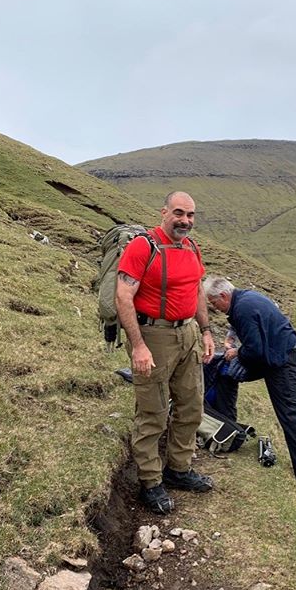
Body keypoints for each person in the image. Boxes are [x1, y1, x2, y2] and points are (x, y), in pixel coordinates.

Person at [115, 191, 216, 514]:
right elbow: (123, 297)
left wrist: (205, 330)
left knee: (191, 406)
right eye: (179, 213)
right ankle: (150, 480)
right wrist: (139, 346)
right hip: (154, 334)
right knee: (153, 412)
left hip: (187, 333)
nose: (185, 220)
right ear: (163, 212)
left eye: (190, 215)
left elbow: (196, 290)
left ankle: (179, 469)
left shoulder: (191, 247)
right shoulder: (143, 246)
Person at [202, 275, 296, 501]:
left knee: (289, 416)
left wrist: (236, 353)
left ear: (224, 296)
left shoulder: (243, 308)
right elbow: (243, 329)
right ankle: (228, 430)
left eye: (213, 303)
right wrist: (233, 347)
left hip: (283, 359)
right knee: (227, 374)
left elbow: (255, 351)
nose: (214, 309)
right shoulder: (243, 299)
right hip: (271, 356)